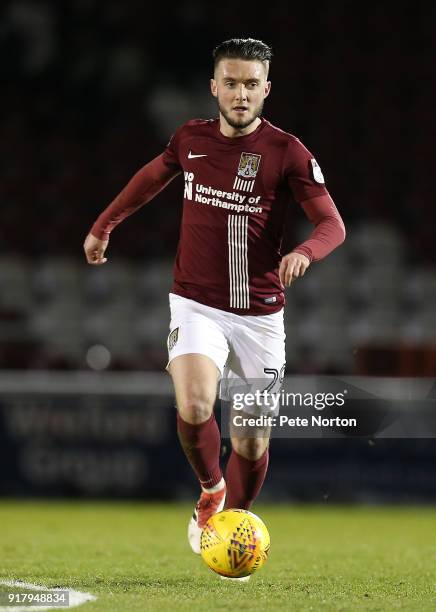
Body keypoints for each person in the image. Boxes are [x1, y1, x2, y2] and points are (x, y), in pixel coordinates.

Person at [84, 37, 345, 572]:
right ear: (214, 87)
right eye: (231, 82)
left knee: (250, 441)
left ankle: (234, 523)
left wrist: (304, 252)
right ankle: (210, 491)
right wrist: (102, 226)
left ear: (267, 89)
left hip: (260, 316)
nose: (241, 93)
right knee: (197, 404)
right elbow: (148, 181)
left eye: (252, 84)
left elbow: (332, 225)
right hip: (196, 304)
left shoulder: (287, 152)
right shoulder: (190, 140)